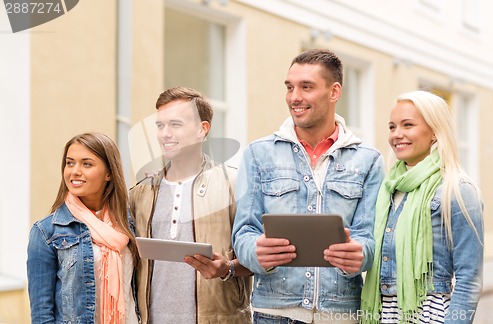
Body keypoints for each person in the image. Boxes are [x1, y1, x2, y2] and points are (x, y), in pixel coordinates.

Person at [232, 48, 385, 323]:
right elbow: (243, 232)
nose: (294, 97)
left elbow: (370, 238)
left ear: (334, 91)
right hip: (273, 314)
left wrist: (360, 255)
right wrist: (256, 250)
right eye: (290, 87)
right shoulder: (257, 154)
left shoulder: (369, 161)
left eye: (306, 87)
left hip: (341, 314)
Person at [129, 86, 252, 324]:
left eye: (175, 124)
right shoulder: (140, 192)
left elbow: (262, 258)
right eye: (160, 125)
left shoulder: (234, 185)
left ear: (202, 129)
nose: (165, 133)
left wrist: (228, 268)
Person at [361, 90, 484, 323]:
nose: (397, 135)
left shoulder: (458, 190)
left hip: (429, 315)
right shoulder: (387, 188)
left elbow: (469, 278)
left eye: (408, 125)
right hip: (380, 314)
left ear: (435, 132)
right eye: (392, 127)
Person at [27, 132, 139, 323]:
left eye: (87, 164)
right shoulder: (46, 232)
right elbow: (41, 314)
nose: (75, 171)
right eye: (70, 163)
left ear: (109, 173)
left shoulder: (129, 225)